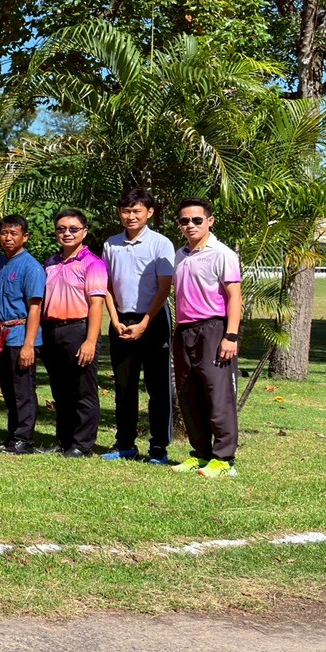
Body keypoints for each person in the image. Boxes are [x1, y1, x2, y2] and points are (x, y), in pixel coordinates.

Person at [169, 198, 244, 479]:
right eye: (184, 221)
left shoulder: (222, 254)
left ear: (210, 221)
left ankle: (224, 460)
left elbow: (234, 296)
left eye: (197, 220)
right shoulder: (180, 255)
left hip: (213, 329)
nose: (190, 225)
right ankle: (200, 454)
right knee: (189, 393)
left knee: (218, 394)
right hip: (184, 330)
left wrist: (230, 336)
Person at [102, 188, 176, 464]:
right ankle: (125, 444)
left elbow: (164, 287)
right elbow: (106, 286)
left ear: (149, 213)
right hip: (121, 320)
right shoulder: (111, 245)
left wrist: (145, 322)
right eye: (125, 211)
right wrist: (115, 319)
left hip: (153, 320)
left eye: (136, 211)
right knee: (124, 386)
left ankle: (158, 448)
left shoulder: (160, 243)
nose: (130, 216)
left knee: (158, 388)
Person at [41, 209, 108, 458]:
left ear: (84, 232)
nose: (67, 233)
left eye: (73, 229)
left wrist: (90, 340)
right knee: (60, 390)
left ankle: (83, 444)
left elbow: (97, 304)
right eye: (61, 229)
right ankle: (64, 440)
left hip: (78, 330)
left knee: (83, 390)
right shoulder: (51, 263)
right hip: (52, 331)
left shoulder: (93, 263)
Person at [0, 215, 46, 456]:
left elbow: (35, 307)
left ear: (25, 237)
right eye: (4, 233)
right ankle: (13, 435)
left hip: (21, 335)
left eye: (14, 233)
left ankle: (24, 439)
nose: (8, 237)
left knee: (23, 390)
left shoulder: (31, 267)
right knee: (8, 388)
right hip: (0, 335)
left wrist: (28, 345)